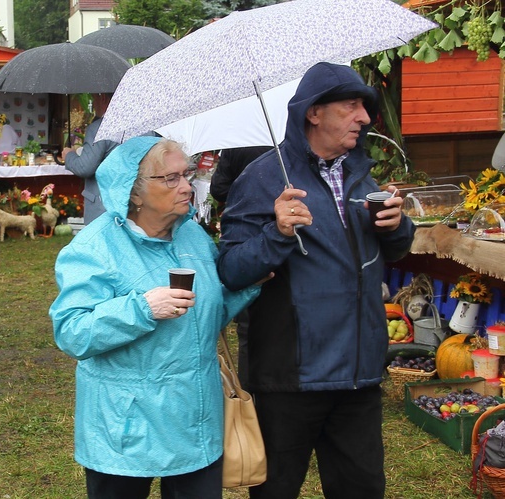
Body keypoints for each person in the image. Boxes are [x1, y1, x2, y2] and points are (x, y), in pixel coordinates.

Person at [217, 62, 416, 498]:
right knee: (276, 490)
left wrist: (395, 227)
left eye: (364, 108)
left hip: (358, 372)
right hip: (291, 376)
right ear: (313, 113)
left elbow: (396, 249)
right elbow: (230, 270)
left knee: (361, 489)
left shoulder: (359, 174)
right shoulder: (263, 179)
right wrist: (277, 233)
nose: (364, 118)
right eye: (351, 106)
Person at [50, 136, 265, 498]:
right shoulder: (94, 249)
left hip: (194, 418)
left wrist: (246, 285)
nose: (187, 186)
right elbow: (72, 332)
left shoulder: (192, 237)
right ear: (134, 192)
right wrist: (141, 309)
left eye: (188, 174)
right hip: (126, 428)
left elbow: (204, 318)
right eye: (170, 178)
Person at [209, 145, 271, 387]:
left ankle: (249, 390)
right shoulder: (295, 144)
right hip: (270, 240)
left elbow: (219, 188)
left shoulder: (237, 145)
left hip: (248, 234)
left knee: (249, 327)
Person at [61, 93, 119, 224]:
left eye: (94, 98)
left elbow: (85, 167)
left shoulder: (100, 128)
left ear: (103, 98)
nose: (93, 103)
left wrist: (69, 155)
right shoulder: (141, 128)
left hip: (102, 206)